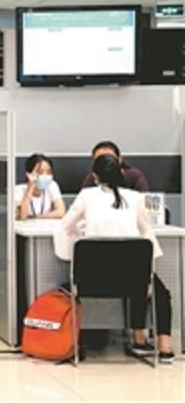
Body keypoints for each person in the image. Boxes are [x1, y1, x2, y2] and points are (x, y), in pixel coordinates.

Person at [55, 154, 174, 364]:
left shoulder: (86, 196)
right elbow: (146, 234)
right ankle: (162, 347)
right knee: (155, 287)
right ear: (121, 174)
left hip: (91, 282)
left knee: (138, 275)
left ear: (95, 176)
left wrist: (74, 244)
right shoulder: (135, 198)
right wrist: (148, 274)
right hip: (132, 282)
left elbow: (65, 226)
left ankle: (134, 338)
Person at [81, 140, 149, 191]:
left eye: (110, 158)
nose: (105, 162)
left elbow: (148, 202)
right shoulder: (91, 178)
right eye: (100, 160)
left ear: (120, 160)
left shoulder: (135, 176)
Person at [15, 153, 66, 220]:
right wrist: (31, 186)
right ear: (28, 174)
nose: (45, 175)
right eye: (40, 172)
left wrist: (37, 217)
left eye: (48, 172)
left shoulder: (52, 185)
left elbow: (61, 212)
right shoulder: (18, 190)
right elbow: (23, 216)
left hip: (46, 225)